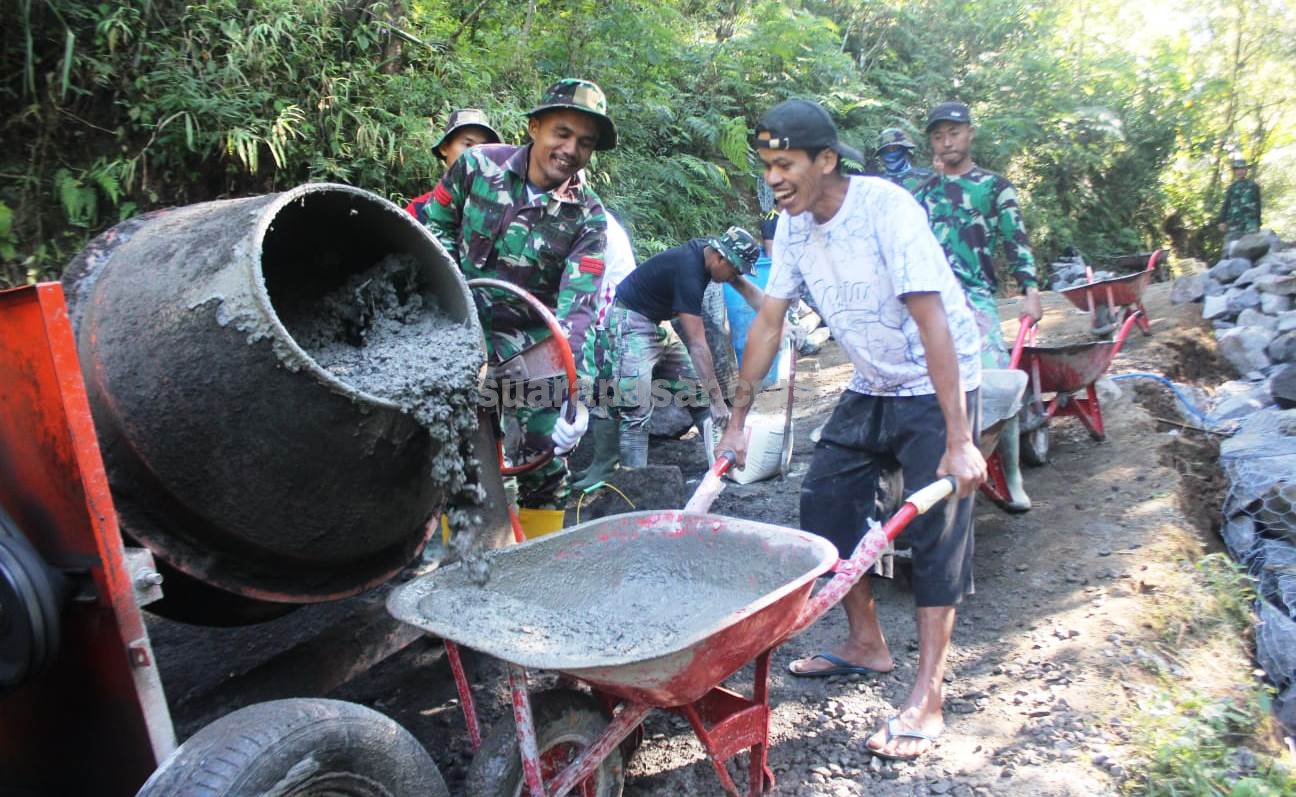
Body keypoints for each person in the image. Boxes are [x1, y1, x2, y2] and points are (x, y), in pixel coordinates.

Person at [716, 98, 985, 761]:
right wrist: (738, 419)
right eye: (767, 165)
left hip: (935, 378)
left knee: (937, 531)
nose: (773, 178)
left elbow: (934, 322)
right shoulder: (793, 229)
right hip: (873, 380)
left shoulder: (886, 210)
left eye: (785, 164)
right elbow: (770, 323)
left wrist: (958, 438)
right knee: (824, 502)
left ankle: (928, 693)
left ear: (826, 160)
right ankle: (867, 642)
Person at [423, 78, 616, 514]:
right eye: (562, 133)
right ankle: (463, 562)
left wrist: (575, 397)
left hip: (527, 347)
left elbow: (578, 311)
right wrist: (443, 321)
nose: (570, 149)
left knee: (544, 464)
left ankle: (540, 574)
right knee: (455, 460)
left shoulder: (588, 217)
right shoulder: (475, 166)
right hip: (453, 328)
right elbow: (434, 233)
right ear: (534, 127)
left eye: (584, 143)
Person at [916, 100, 1043, 513]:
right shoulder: (923, 194)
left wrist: (1031, 289)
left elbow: (1015, 241)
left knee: (998, 384)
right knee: (922, 385)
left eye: (953, 132)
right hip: (929, 301)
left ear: (970, 133)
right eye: (938, 136)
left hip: (975, 301)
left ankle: (1012, 475)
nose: (946, 141)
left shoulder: (993, 186)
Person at [607, 227, 764, 469]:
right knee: (635, 408)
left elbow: (746, 289)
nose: (735, 276)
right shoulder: (688, 273)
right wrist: (719, 400)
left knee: (697, 394)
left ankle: (722, 461)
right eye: (735, 270)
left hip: (657, 322)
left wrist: (782, 319)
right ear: (720, 258)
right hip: (629, 321)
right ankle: (633, 481)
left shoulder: (711, 255)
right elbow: (698, 345)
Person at [570, 212, 636, 490]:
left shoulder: (592, 221)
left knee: (604, 389)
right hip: (608, 304)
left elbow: (582, 283)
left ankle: (605, 466)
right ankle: (600, 463)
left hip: (611, 309)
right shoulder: (587, 217)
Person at [405, 109, 503, 218]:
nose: (476, 154)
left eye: (484, 148)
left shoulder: (502, 210)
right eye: (468, 144)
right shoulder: (418, 211)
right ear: (444, 148)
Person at [876, 127, 935, 195]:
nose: (891, 152)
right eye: (887, 150)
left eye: (895, 148)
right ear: (881, 155)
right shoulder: (877, 185)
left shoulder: (927, 176)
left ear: (905, 149)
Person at [1218, 157, 1262, 244]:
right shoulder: (1231, 187)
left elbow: (1258, 205)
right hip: (1235, 224)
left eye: (1242, 168)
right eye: (1237, 169)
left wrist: (1258, 222)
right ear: (1234, 171)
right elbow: (1226, 205)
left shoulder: (1253, 186)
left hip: (1251, 224)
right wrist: (1222, 221)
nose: (1240, 171)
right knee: (1232, 248)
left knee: (1252, 248)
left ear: (1246, 170)